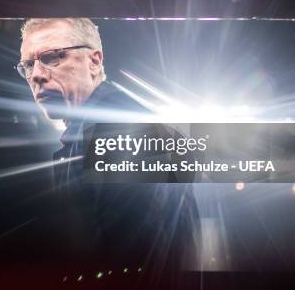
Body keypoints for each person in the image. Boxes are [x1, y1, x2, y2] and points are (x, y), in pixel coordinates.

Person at [16, 18, 200, 278]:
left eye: (51, 57)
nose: (36, 74)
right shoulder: (97, 130)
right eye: (28, 64)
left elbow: (128, 261)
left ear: (94, 61)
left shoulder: (121, 128)